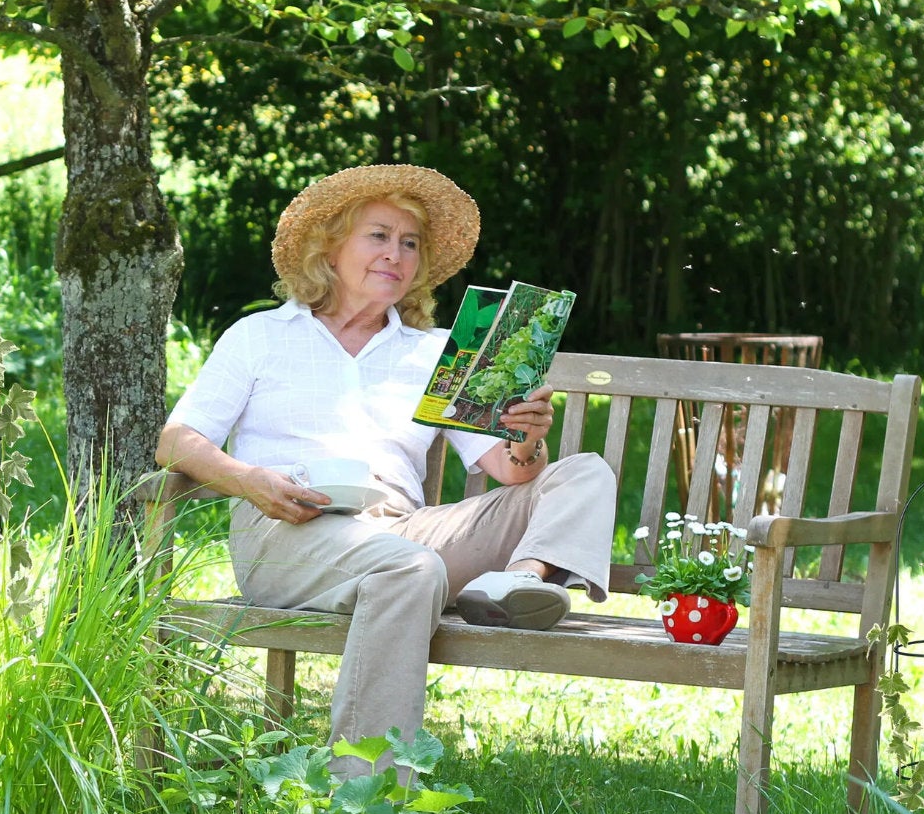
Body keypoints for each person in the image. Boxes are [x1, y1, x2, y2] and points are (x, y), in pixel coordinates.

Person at [156, 163, 617, 758]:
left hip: (401, 531)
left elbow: (511, 472)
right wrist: (248, 481)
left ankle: (519, 582)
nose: (395, 254)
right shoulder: (260, 336)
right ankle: (365, 796)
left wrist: (525, 436)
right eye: (378, 236)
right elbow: (177, 440)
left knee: (584, 472)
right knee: (411, 569)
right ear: (330, 247)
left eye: (409, 243)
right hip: (287, 527)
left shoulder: (436, 352)